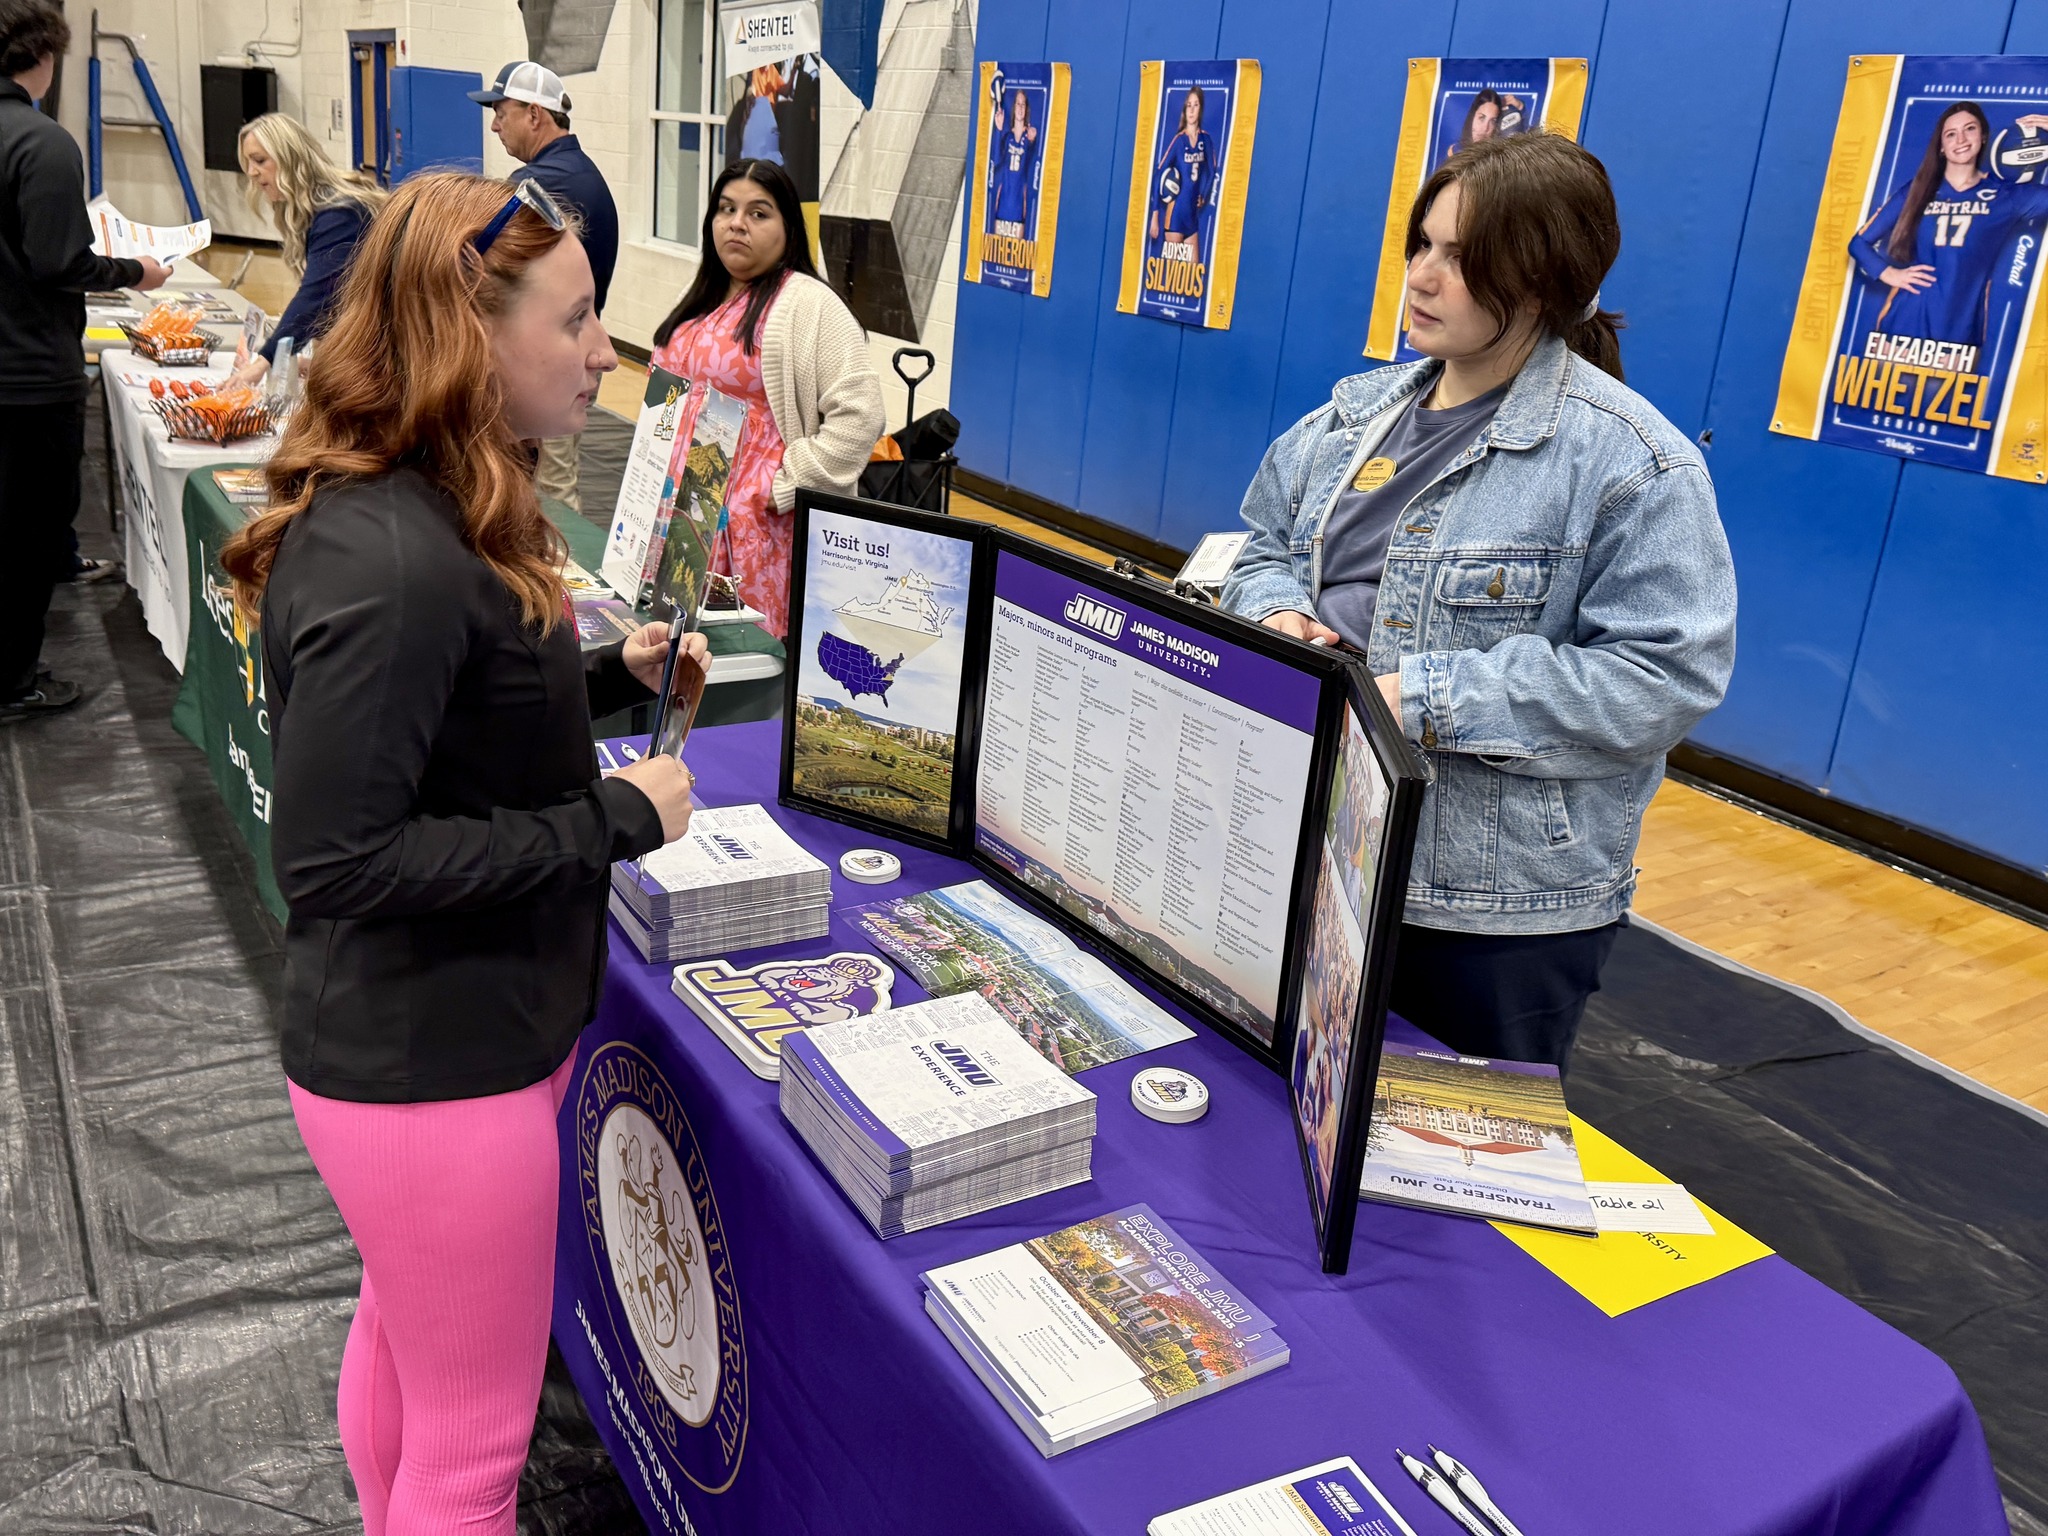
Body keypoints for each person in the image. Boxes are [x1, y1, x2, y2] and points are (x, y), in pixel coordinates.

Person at [219, 171, 700, 1533]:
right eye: (581, 318)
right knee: (476, 1461)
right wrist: (612, 822)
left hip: (447, 1048)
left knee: (410, 1362)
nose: (610, 352)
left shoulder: (435, 512)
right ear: (468, 333)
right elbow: (340, 858)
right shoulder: (395, 556)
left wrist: (615, 678)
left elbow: (464, 720)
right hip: (435, 1074)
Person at [1223, 131, 1737, 1072]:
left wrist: (1416, 697)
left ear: (1542, 281)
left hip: (1490, 911)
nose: (1423, 276)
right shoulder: (1352, 415)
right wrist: (1275, 616)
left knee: (1453, 1171)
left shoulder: (1635, 465)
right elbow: (1260, 548)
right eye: (1423, 244)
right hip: (1323, 851)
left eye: (1462, 259)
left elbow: (1663, 678)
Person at [0, 0, 168, 719]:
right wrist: (136, 271)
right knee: (30, 533)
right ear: (44, 56)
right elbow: (57, 261)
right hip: (29, 378)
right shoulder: (41, 143)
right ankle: (12, 681)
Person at [650, 158, 884, 637]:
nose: (737, 223)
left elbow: (861, 415)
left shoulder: (810, 304)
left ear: (788, 229)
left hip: (757, 530)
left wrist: (784, 486)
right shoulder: (703, 293)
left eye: (759, 213)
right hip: (679, 514)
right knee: (668, 649)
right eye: (726, 208)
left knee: (740, 660)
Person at [470, 60, 620, 514]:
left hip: (546, 368)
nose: (495, 125)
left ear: (535, 114)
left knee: (549, 495)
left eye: (501, 111)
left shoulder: (541, 185)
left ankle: (555, 583)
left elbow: (471, 268)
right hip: (561, 363)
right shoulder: (578, 171)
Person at [1848, 101, 2048, 347]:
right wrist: (1890, 274)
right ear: (1941, 146)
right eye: (1950, 134)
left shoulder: (2006, 196)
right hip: (1904, 320)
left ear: (1983, 135)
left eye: (1970, 129)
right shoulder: (1917, 190)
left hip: (1959, 328)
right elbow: (1858, 244)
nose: (1961, 139)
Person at [225, 112, 385, 391]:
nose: (251, 172)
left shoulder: (340, 212)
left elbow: (318, 297)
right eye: (248, 163)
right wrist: (322, 362)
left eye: (260, 161)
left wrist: (263, 362)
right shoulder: (317, 206)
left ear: (289, 158)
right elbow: (336, 302)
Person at [1150, 85, 1215, 247]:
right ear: (1184, 110)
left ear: (1201, 108)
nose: (1192, 110)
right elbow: (1159, 173)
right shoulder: (1179, 141)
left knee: (1194, 272)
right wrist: (1155, 215)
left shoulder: (1205, 139)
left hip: (1192, 218)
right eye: (1189, 105)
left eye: (1196, 105)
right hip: (1176, 216)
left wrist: (1204, 194)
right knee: (1171, 271)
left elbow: (1212, 170)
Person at [989, 86, 1039, 232]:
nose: (1020, 108)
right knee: (997, 252)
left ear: (1027, 108)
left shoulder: (1029, 137)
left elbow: (1032, 161)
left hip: (1018, 207)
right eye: (1018, 103)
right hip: (1003, 204)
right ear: (1014, 107)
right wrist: (998, 129)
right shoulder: (1007, 137)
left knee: (1017, 252)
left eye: (1023, 104)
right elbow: (996, 160)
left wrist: (1032, 141)